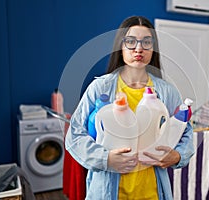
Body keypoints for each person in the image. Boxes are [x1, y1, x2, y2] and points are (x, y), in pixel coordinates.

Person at [65, 16, 194, 200]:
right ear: (121, 47)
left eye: (146, 42)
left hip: (152, 192)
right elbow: (74, 136)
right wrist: (106, 159)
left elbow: (186, 132)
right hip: (107, 191)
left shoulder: (167, 91)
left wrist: (178, 156)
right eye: (131, 42)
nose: (139, 48)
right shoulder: (100, 88)